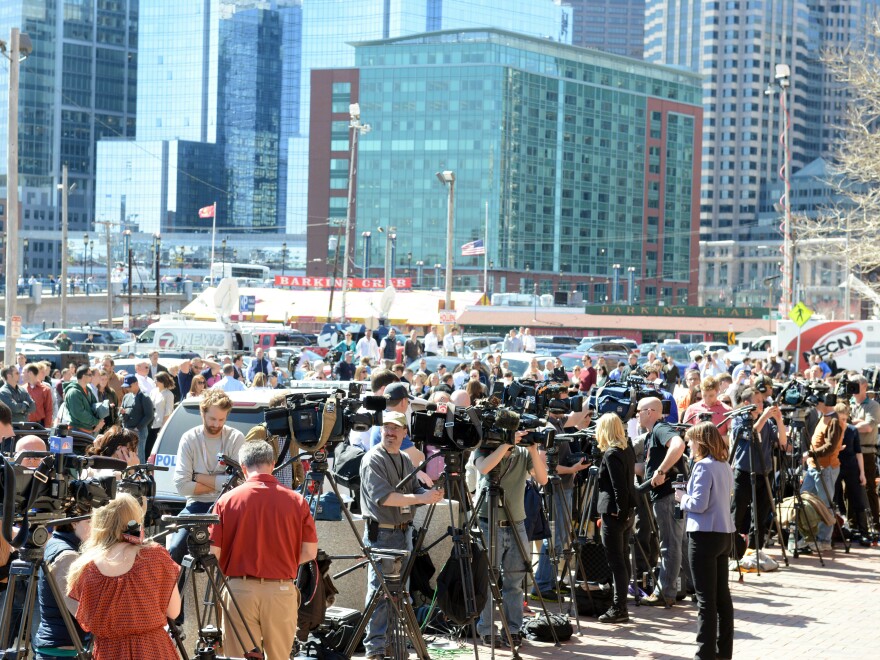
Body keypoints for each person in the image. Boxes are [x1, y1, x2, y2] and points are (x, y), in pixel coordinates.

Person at [209, 441, 318, 659]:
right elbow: (310, 553)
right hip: (280, 591)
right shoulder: (297, 501)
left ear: (242, 466)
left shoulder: (226, 501)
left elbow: (214, 554)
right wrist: (281, 561)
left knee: (239, 658)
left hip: (239, 591)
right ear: (273, 463)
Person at [359, 411, 444, 660]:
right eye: (386, 427)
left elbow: (415, 489)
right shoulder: (373, 458)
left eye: (396, 428)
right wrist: (421, 498)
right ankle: (375, 648)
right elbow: (385, 498)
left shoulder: (405, 459)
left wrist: (432, 493)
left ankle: (393, 643)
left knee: (401, 594)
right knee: (380, 594)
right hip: (381, 536)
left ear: (405, 433)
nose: (390, 432)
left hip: (404, 534)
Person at [67, 494, 181, 660]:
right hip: (153, 650)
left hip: (109, 653)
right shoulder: (155, 556)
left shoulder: (84, 567)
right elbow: (174, 612)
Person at [474, 425, 548, 647]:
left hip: (517, 523)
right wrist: (506, 443)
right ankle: (487, 629)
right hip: (489, 522)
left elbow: (543, 479)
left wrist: (534, 449)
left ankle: (513, 629)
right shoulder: (485, 446)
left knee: (514, 581)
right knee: (488, 580)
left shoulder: (523, 452)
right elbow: (484, 468)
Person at [676, 422, 735, 660]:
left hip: (704, 536)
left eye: (691, 441)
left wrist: (682, 497)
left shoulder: (703, 467)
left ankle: (705, 653)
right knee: (722, 598)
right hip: (723, 534)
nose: (689, 445)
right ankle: (723, 652)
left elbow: (698, 504)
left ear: (700, 442)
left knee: (705, 601)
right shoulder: (724, 465)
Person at [170, 389, 246, 564]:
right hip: (196, 505)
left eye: (222, 419)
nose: (217, 424)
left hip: (228, 506)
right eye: (212, 419)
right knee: (175, 550)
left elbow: (239, 484)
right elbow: (182, 487)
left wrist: (198, 477)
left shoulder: (235, 438)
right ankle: (174, 592)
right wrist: (223, 482)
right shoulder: (189, 438)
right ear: (202, 413)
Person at [638, 396, 687, 607]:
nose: (636, 415)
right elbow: (645, 469)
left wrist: (661, 471)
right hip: (668, 494)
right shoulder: (652, 435)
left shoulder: (660, 429)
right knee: (676, 542)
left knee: (669, 544)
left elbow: (678, 445)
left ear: (649, 412)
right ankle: (684, 587)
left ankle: (666, 591)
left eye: (639, 411)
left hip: (667, 495)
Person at [729, 388, 787, 552]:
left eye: (762, 400)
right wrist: (765, 416)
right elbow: (752, 431)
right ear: (747, 403)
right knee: (737, 513)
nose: (762, 404)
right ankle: (733, 551)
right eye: (758, 401)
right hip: (744, 473)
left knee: (760, 516)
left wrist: (779, 420)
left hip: (764, 473)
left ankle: (755, 551)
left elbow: (783, 441)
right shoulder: (739, 420)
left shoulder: (767, 422)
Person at [595, 413, 636, 624]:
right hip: (625, 512)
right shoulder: (626, 449)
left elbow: (619, 485)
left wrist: (620, 511)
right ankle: (621, 605)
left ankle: (619, 607)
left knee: (616, 561)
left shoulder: (612, 453)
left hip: (615, 512)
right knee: (622, 558)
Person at [34, 515, 92, 659]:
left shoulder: (58, 543)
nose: (95, 528)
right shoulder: (67, 555)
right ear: (73, 523)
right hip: (63, 649)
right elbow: (81, 612)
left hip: (62, 646)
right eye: (89, 522)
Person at [801, 402, 846, 550]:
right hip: (814, 466)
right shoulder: (824, 417)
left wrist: (811, 453)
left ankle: (824, 540)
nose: (814, 403)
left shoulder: (834, 420)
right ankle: (809, 537)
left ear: (824, 403)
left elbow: (830, 447)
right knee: (804, 498)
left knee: (825, 504)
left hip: (826, 467)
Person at [849, 374, 880, 532]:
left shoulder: (873, 405)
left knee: (868, 489)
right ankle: (853, 525)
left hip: (867, 451)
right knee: (849, 489)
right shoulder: (849, 404)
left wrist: (850, 422)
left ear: (865, 386)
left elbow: (868, 427)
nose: (852, 387)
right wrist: (857, 423)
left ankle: (875, 525)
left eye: (855, 385)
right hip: (849, 452)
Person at [119, 374, 154, 463]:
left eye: (129, 386)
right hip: (127, 431)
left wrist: (138, 428)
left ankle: (140, 474)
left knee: (139, 455)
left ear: (136, 384)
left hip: (139, 431)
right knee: (127, 454)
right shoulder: (126, 397)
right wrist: (122, 413)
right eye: (126, 387)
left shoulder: (144, 397)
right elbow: (121, 412)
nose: (128, 389)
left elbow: (149, 415)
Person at [63, 366, 104, 436]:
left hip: (88, 430)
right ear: (83, 376)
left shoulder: (88, 390)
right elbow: (79, 413)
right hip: (77, 431)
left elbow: (95, 406)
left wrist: (100, 421)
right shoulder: (73, 392)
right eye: (90, 375)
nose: (92, 376)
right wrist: (96, 422)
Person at [147, 372, 175, 457]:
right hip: (150, 424)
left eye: (157, 380)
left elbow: (168, 413)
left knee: (156, 449)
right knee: (148, 448)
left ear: (162, 381)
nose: (155, 382)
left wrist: (162, 429)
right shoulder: (153, 392)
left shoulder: (168, 394)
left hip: (160, 425)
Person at [25, 363, 53, 428]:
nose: (22, 374)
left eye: (25, 372)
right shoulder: (22, 389)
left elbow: (49, 410)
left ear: (30, 373)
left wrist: (47, 426)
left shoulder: (45, 389)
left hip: (39, 424)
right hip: (25, 424)